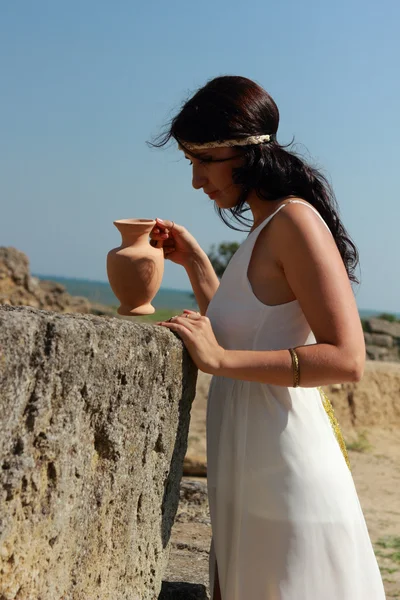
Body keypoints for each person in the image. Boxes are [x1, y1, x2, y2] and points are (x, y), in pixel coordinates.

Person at [150, 76, 385, 600]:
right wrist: (195, 263)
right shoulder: (263, 229)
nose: (196, 181)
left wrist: (220, 361)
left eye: (203, 161)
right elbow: (245, 331)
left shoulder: (295, 221)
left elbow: (347, 359)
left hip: (287, 476)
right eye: (192, 163)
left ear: (245, 151)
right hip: (249, 470)